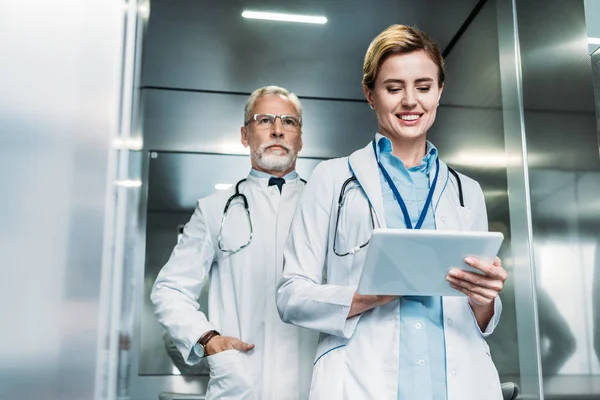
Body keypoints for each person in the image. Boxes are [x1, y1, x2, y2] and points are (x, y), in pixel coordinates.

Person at [276, 25, 508, 400]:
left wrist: (484, 300)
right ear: (370, 94)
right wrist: (368, 294)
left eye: (423, 86)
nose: (410, 101)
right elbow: (291, 296)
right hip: (362, 380)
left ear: (439, 92)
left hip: (456, 384)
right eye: (394, 88)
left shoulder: (468, 192)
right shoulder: (333, 178)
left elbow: (478, 316)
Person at [151, 85, 317, 400]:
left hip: (313, 382)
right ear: (244, 135)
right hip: (242, 382)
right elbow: (169, 290)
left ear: (300, 138)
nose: (278, 130)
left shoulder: (326, 206)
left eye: (289, 122)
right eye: (265, 120)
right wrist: (207, 338)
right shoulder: (214, 208)